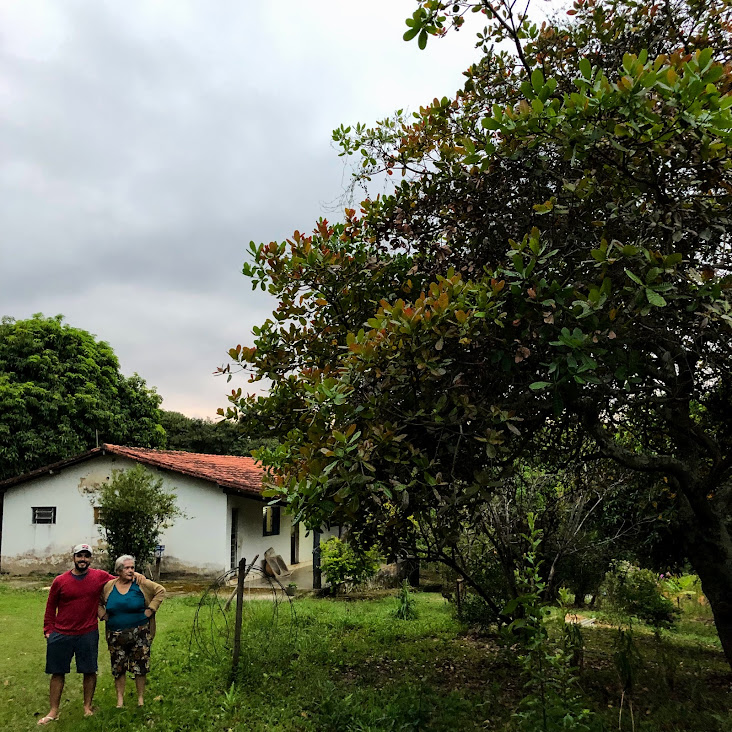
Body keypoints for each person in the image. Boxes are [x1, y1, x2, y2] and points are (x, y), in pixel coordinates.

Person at [39, 543, 138, 725]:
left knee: (89, 671)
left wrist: (138, 576)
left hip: (88, 632)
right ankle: (53, 710)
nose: (82, 559)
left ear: (90, 559)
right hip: (61, 633)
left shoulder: (99, 577)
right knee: (57, 672)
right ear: (73, 558)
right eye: (79, 556)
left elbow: (119, 578)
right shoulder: (60, 581)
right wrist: (48, 630)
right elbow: (50, 606)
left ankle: (87, 707)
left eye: (86, 556)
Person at [99, 554, 165, 708]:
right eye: (126, 568)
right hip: (115, 634)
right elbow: (97, 601)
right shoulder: (109, 586)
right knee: (118, 667)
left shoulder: (140, 583)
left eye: (132, 567)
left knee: (140, 667)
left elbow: (160, 591)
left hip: (140, 632)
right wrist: (102, 614)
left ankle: (140, 699)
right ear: (118, 570)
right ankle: (120, 700)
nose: (130, 571)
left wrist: (151, 609)